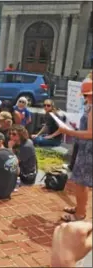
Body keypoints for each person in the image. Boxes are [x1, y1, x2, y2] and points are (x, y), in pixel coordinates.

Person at [57, 78, 92, 222]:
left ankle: (80, 213)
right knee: (80, 182)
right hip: (85, 148)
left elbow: (90, 133)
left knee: (81, 182)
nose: (85, 98)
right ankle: (80, 207)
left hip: (88, 150)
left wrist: (70, 132)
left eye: (86, 95)